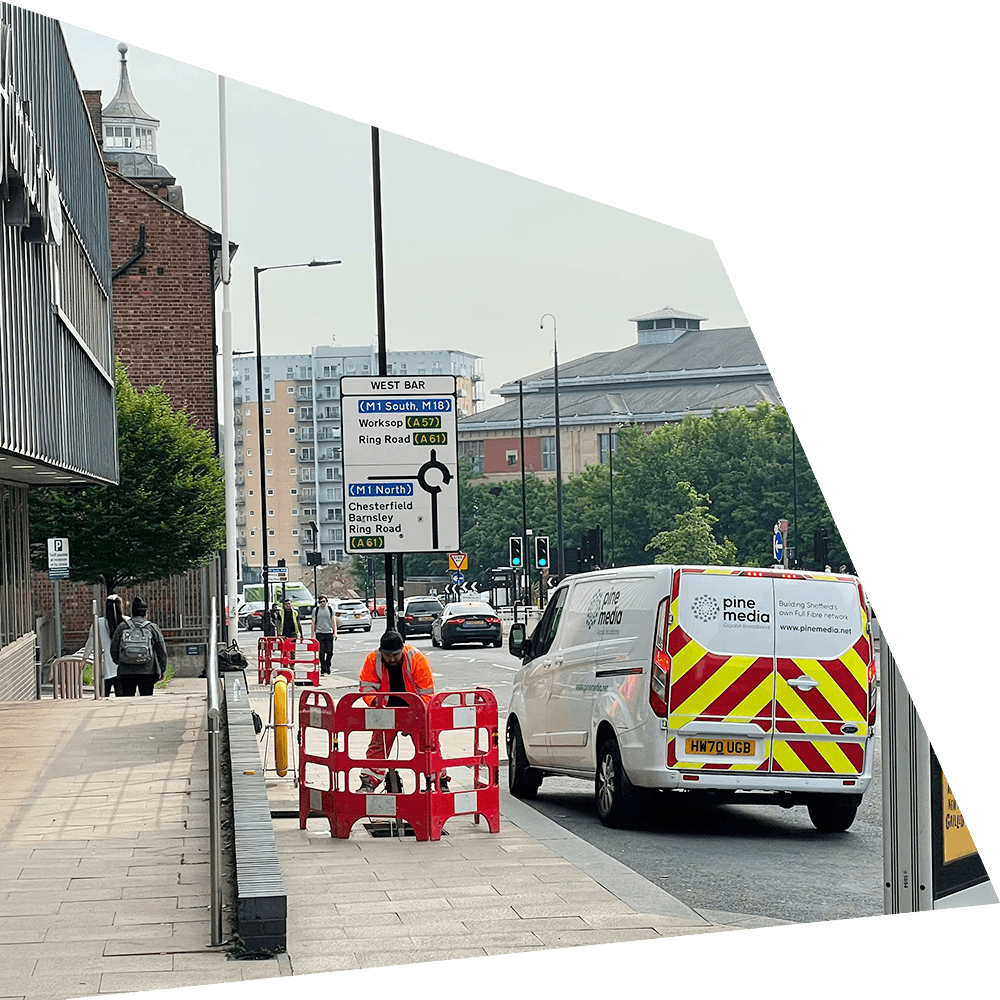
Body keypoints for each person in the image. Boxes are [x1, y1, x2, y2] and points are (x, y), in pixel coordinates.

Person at [357, 630, 449, 793]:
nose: (392, 659)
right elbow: (367, 687)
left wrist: (414, 718)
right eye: (388, 655)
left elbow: (426, 694)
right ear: (381, 652)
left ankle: (438, 780)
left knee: (428, 745)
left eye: (395, 655)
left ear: (402, 650)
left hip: (416, 710)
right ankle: (369, 781)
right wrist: (375, 704)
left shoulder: (416, 658)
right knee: (378, 745)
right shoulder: (373, 659)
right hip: (386, 710)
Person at [110, 597, 168, 696]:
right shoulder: (152, 627)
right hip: (147, 670)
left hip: (126, 670)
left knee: (127, 699)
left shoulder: (122, 626)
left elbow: (113, 648)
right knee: (146, 700)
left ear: (132, 612)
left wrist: (119, 661)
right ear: (146, 613)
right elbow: (161, 649)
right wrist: (162, 668)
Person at [80, 594, 128, 697]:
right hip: (123, 666)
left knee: (103, 695)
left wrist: (84, 658)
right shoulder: (127, 622)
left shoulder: (98, 623)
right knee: (122, 697)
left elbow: (90, 642)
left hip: (105, 667)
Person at [311, 595, 337, 675]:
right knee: (321, 653)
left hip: (328, 633)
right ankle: (323, 669)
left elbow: (333, 621)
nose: (322, 603)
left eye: (324, 601)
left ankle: (328, 665)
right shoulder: (316, 610)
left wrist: (335, 632)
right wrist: (312, 635)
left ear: (326, 602)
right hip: (319, 633)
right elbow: (313, 622)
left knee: (329, 652)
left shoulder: (330, 609)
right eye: (321, 602)